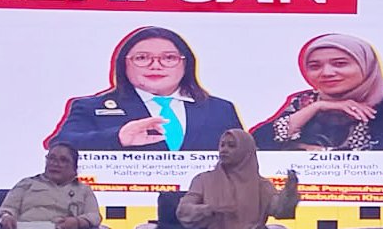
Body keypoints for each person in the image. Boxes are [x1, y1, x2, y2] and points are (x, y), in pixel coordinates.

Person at [48, 26, 242, 151]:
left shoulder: (220, 110)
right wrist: (118, 137)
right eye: (142, 58)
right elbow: (60, 146)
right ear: (124, 64)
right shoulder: (91, 108)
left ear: (186, 64)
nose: (155, 66)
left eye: (169, 58)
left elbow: (244, 155)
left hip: (206, 203)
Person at [252, 34, 383, 151]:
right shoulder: (306, 100)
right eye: (315, 66)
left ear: (366, 65)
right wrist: (317, 107)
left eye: (340, 64)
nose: (327, 73)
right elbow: (256, 144)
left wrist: (302, 150)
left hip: (368, 191)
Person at [176, 129, 299, 229]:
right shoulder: (203, 180)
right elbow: (183, 211)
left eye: (231, 146)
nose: (224, 150)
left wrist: (290, 191)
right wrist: (209, 209)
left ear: (245, 151)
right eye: (222, 145)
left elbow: (280, 211)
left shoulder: (261, 185)